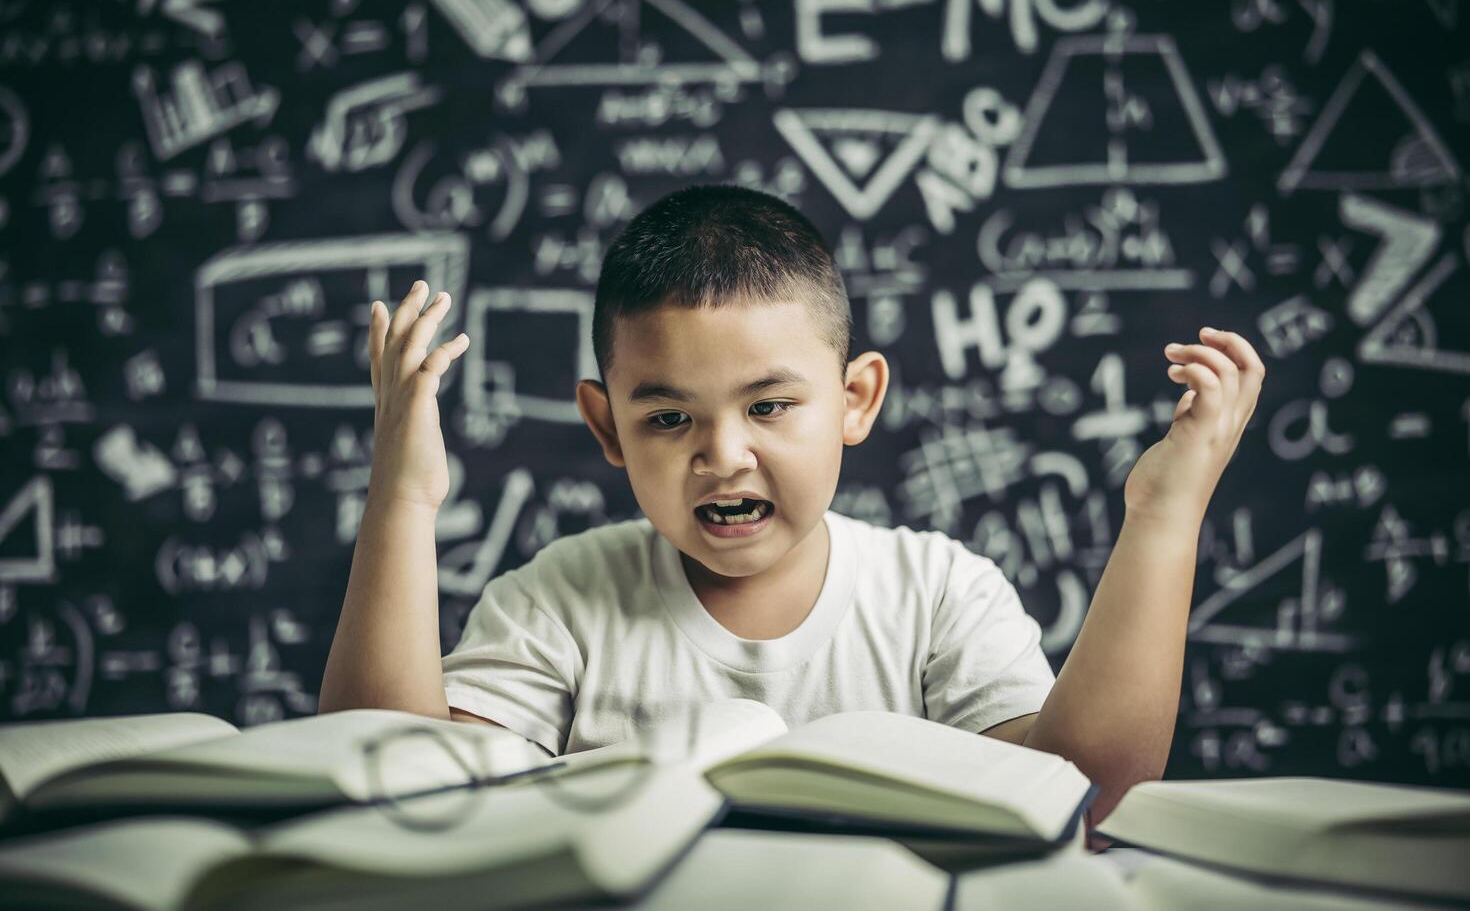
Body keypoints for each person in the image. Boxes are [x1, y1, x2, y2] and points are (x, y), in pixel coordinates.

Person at [319, 184, 1266, 829]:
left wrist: (1163, 518)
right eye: (668, 417)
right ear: (607, 430)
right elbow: (392, 783)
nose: (723, 455)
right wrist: (404, 494)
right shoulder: (558, 602)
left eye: (769, 406)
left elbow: (1084, 792)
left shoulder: (937, 593)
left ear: (856, 399)